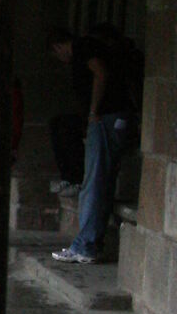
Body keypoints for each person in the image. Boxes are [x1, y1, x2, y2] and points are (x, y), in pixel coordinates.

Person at [46, 23, 142, 262]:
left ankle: (85, 246)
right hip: (114, 118)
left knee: (95, 182)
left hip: (106, 119)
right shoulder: (91, 47)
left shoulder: (83, 47)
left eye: (57, 55)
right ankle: (89, 243)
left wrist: (93, 111)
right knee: (100, 181)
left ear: (58, 47)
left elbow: (100, 72)